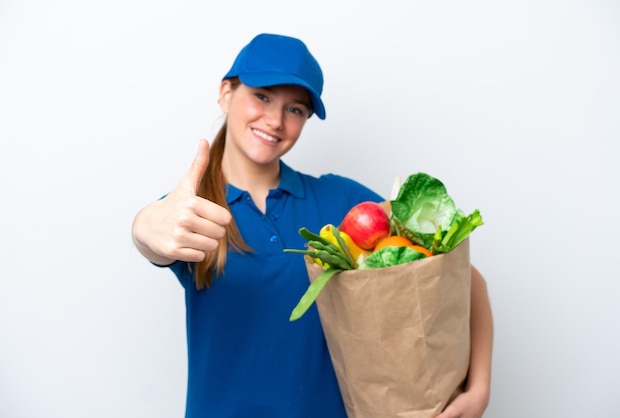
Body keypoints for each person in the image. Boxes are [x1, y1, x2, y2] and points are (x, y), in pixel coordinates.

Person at [131, 33, 493, 418]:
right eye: (263, 96)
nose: (275, 120)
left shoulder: (339, 201)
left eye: (296, 110)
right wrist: (145, 226)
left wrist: (479, 389)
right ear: (226, 94)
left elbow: (460, 278)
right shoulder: (194, 213)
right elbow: (152, 235)